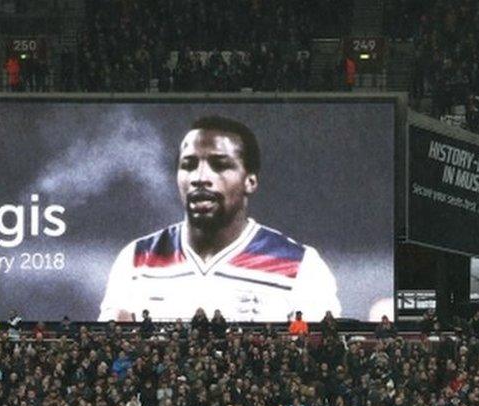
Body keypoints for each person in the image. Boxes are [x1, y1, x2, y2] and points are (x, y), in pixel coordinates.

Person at [99, 115, 340, 322]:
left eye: (219, 165)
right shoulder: (136, 260)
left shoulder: (300, 266)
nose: (200, 177)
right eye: (189, 165)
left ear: (250, 180)